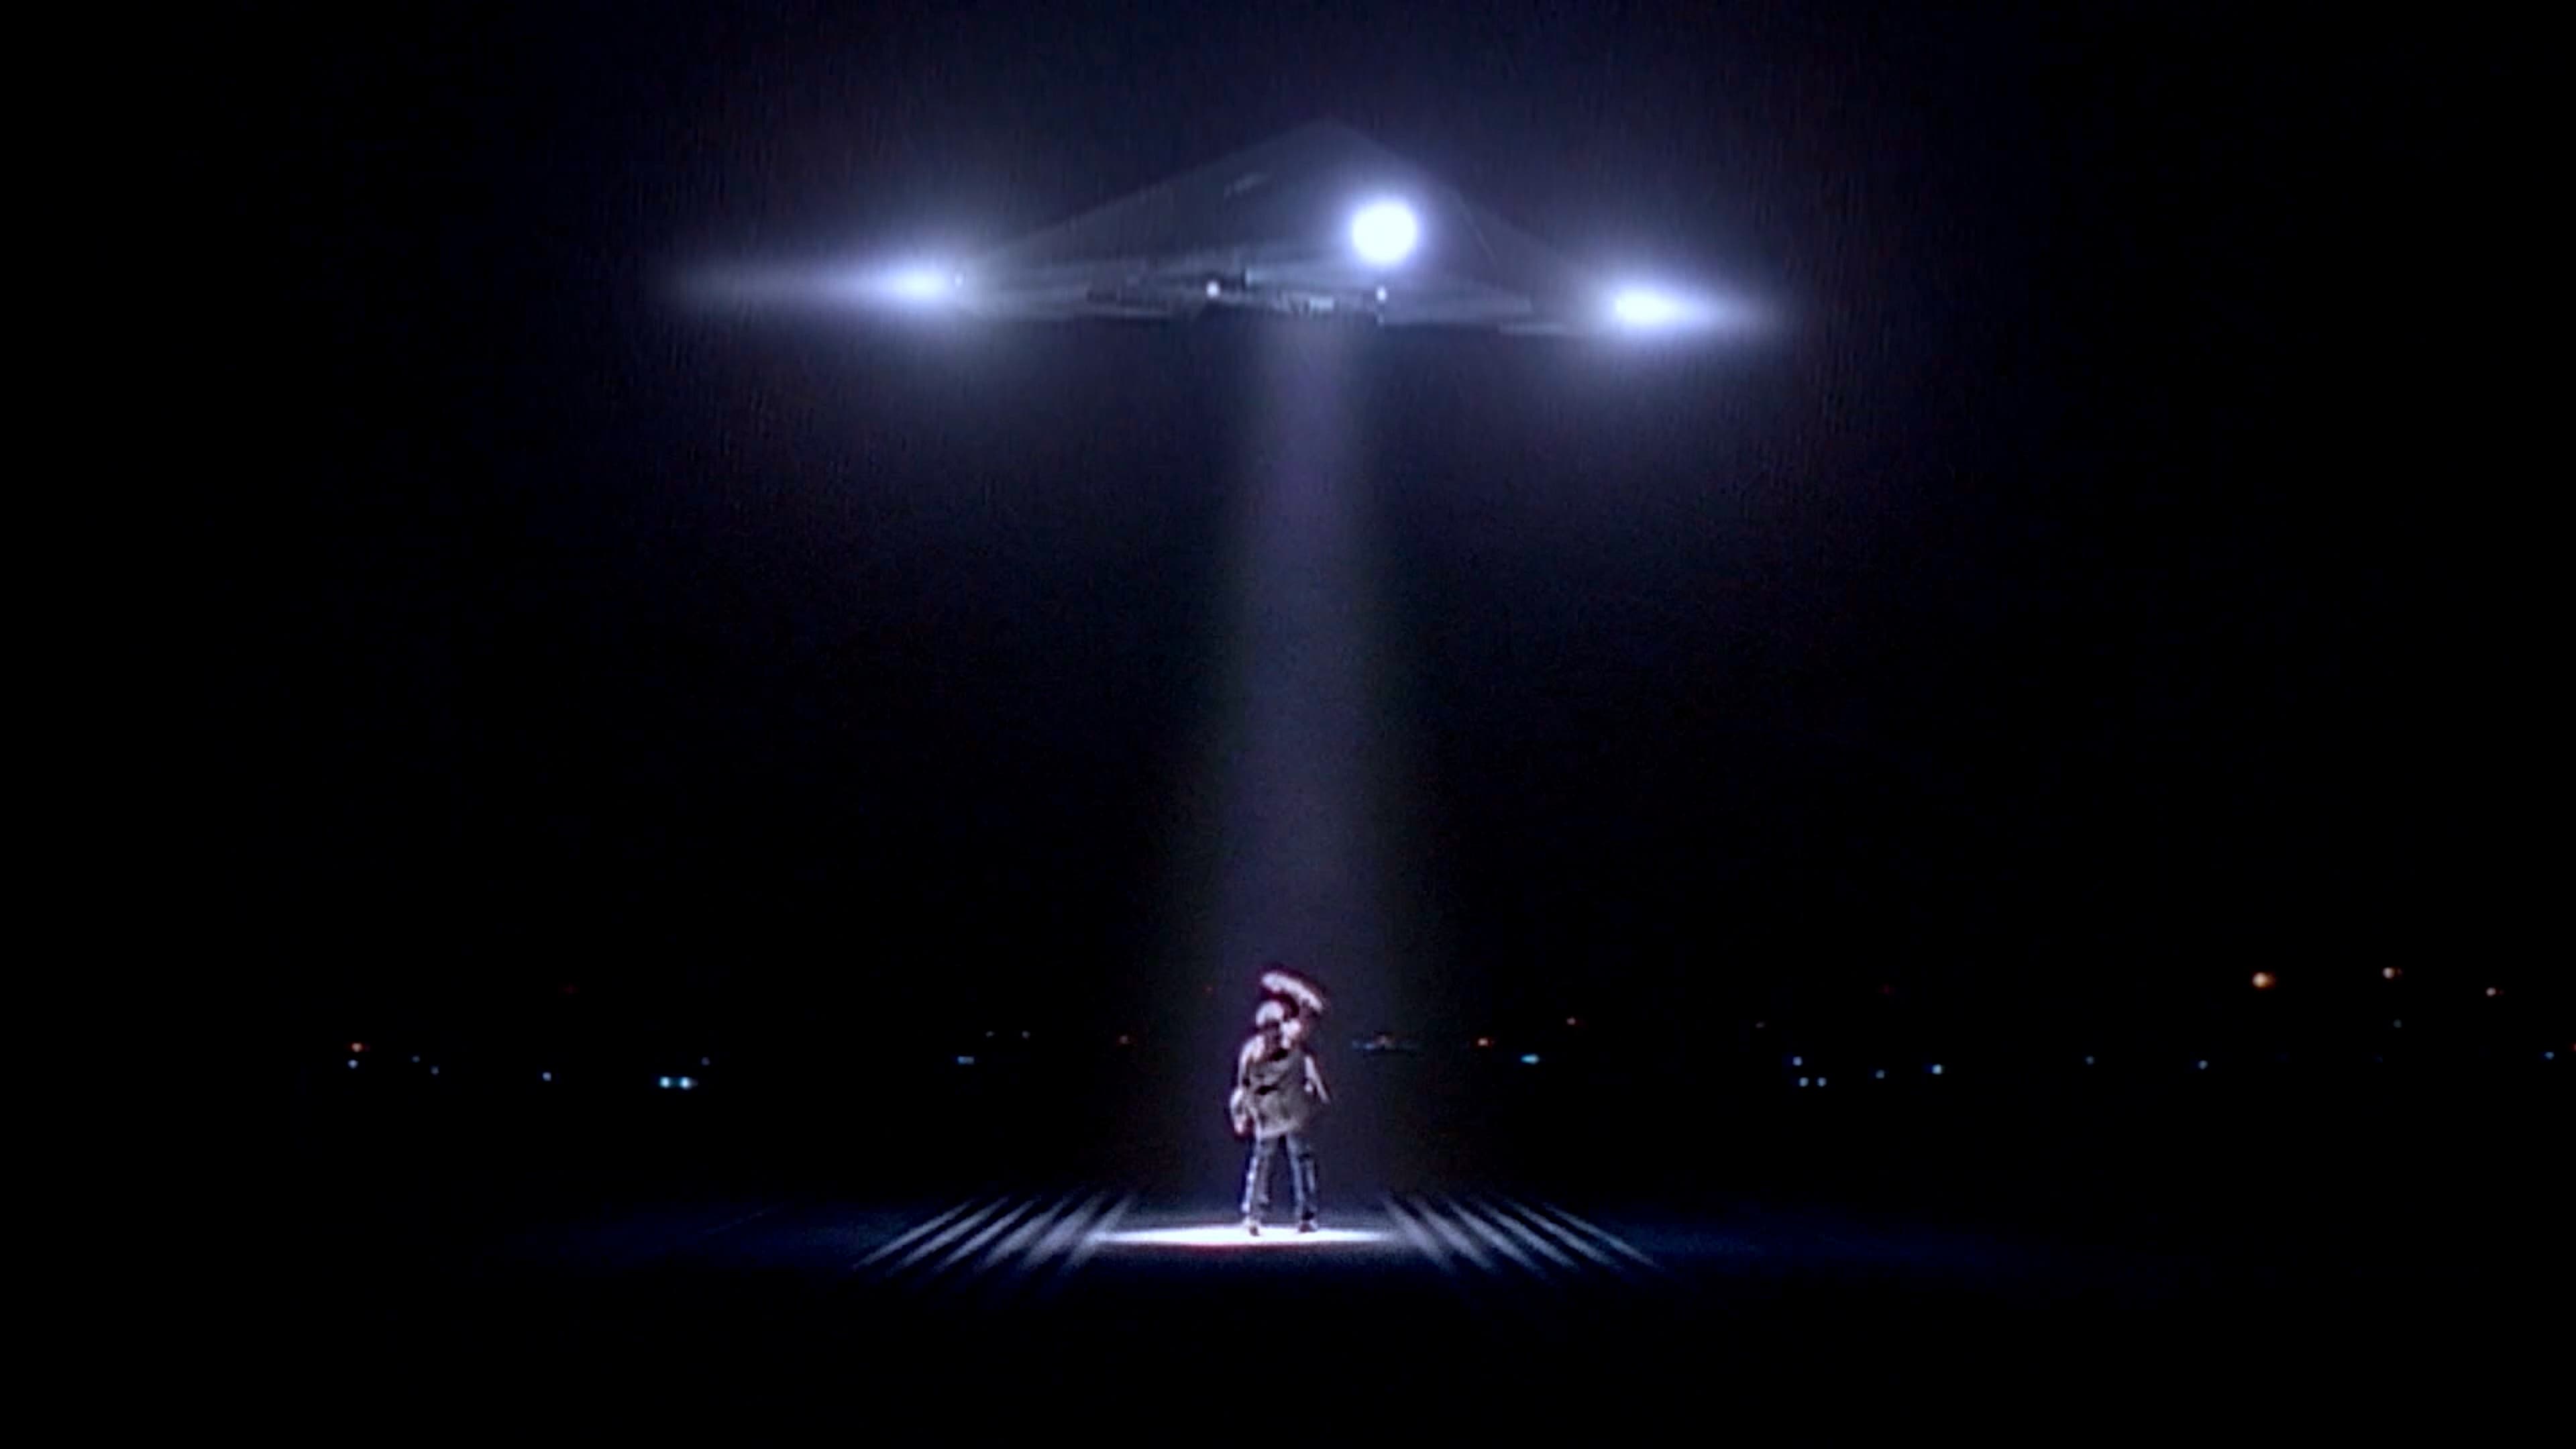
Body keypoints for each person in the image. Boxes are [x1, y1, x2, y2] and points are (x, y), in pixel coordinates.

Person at [1229, 994, 1329, 1234]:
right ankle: (1253, 1216)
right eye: (1268, 1028)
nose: (1272, 1034)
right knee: (1262, 1163)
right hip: (1268, 1115)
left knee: (1300, 1161)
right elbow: (1243, 1088)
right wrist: (1242, 1114)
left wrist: (1292, 990)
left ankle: (1306, 1216)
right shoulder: (1252, 1053)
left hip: (1293, 1112)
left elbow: (1312, 1010)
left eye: (1275, 1027)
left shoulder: (1292, 1043)